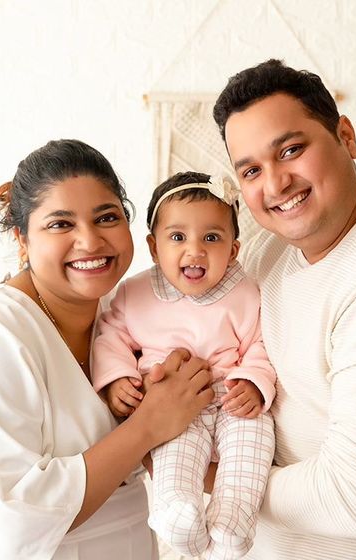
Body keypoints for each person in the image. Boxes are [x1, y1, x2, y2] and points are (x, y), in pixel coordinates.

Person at [0, 139, 215, 560]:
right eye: (60, 224)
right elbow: (12, 514)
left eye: (107, 217)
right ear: (22, 239)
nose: (90, 242)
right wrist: (147, 424)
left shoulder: (125, 310)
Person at [211, 58, 356, 560]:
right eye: (251, 170)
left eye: (291, 150)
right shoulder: (267, 252)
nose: (274, 185)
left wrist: (215, 477)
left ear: (347, 137)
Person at [91, 171, 276, 559]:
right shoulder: (135, 292)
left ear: (234, 249)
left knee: (251, 448)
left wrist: (254, 382)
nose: (195, 251)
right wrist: (118, 377)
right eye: (178, 238)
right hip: (170, 404)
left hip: (231, 397)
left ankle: (232, 523)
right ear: (155, 248)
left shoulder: (246, 292)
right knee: (176, 460)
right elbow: (111, 334)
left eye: (211, 238)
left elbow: (262, 342)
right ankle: (177, 514)